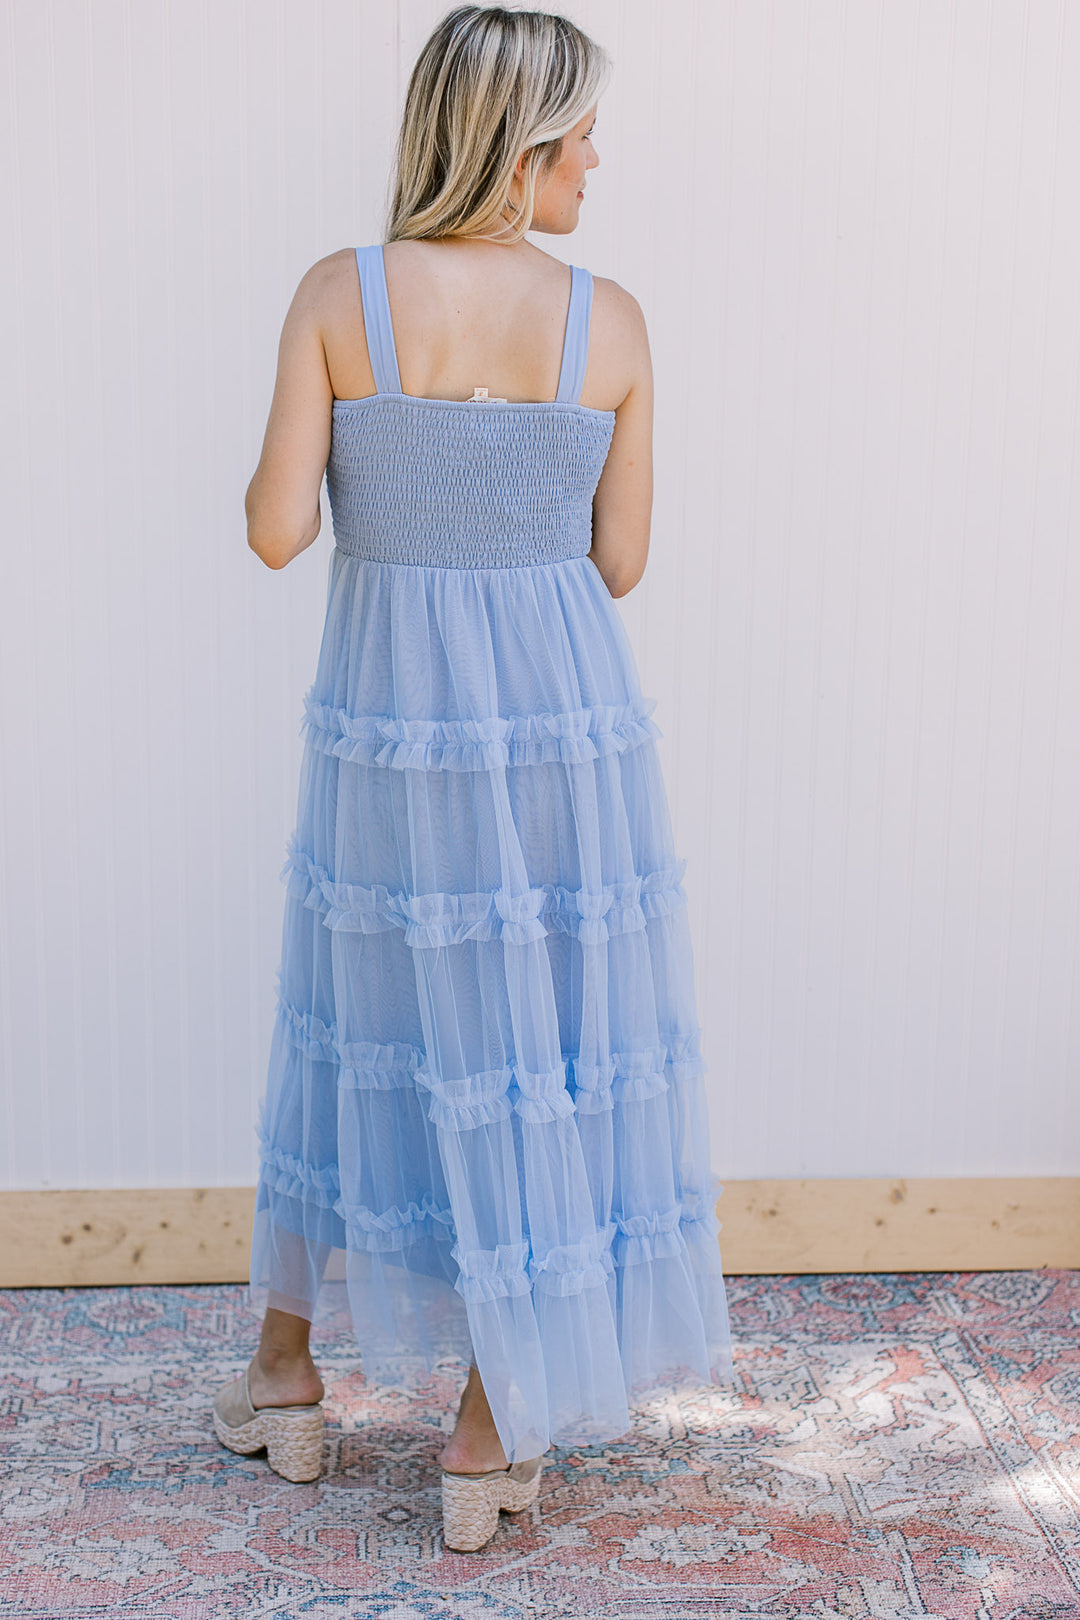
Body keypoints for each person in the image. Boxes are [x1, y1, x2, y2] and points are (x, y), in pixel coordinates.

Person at [212, 2, 734, 1553]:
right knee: (548, 1048)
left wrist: (377, 455)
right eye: (581, 140)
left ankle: (287, 1382)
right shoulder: (611, 323)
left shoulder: (338, 293)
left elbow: (272, 529)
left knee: (351, 1028)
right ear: (519, 153)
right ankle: (485, 1432)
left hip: (388, 735)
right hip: (564, 736)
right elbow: (620, 562)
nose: (597, 163)